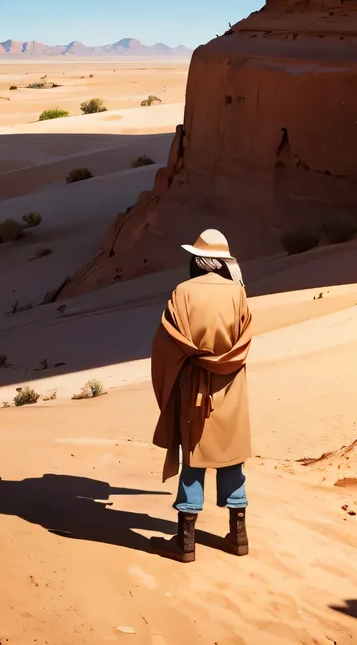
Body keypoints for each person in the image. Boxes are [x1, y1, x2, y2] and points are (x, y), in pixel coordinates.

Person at [150, 229, 253, 563]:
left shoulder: (182, 292)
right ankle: (239, 537)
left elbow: (167, 339)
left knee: (193, 455)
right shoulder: (237, 293)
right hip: (231, 386)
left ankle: (186, 542)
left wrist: (187, 362)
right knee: (231, 454)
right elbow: (246, 336)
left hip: (193, 384)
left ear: (196, 260)